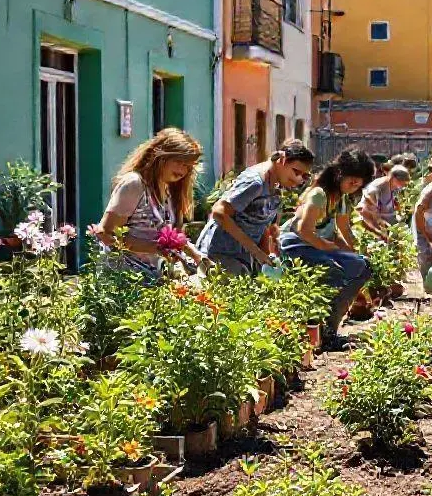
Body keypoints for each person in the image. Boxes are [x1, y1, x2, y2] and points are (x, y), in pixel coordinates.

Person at [279, 150, 376, 349]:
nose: (353, 188)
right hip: (295, 246)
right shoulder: (318, 194)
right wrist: (328, 247)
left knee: (362, 267)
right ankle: (319, 332)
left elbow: (344, 230)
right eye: (352, 182)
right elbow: (303, 230)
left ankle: (329, 329)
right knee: (334, 272)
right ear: (340, 174)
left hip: (316, 247)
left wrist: (354, 254)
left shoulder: (339, 198)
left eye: (358, 185)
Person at [95, 128, 205, 282]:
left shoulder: (169, 190)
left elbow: (172, 237)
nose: (182, 171)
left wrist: (198, 257)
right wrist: (156, 248)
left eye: (187, 166)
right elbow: (105, 233)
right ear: (160, 157)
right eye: (179, 162)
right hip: (122, 284)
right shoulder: (134, 184)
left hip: (151, 280)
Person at [196, 140, 314, 276]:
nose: (299, 180)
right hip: (219, 254)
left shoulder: (277, 184)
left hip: (243, 256)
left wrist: (267, 255)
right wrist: (256, 252)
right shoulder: (255, 182)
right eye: (296, 172)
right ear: (282, 159)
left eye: (305, 176)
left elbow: (260, 224)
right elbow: (219, 212)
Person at [358, 165, 411, 241]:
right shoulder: (377, 187)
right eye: (401, 183)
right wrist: (380, 227)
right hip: (372, 224)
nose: (402, 186)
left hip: (387, 223)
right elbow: (368, 207)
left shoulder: (392, 185)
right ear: (394, 178)